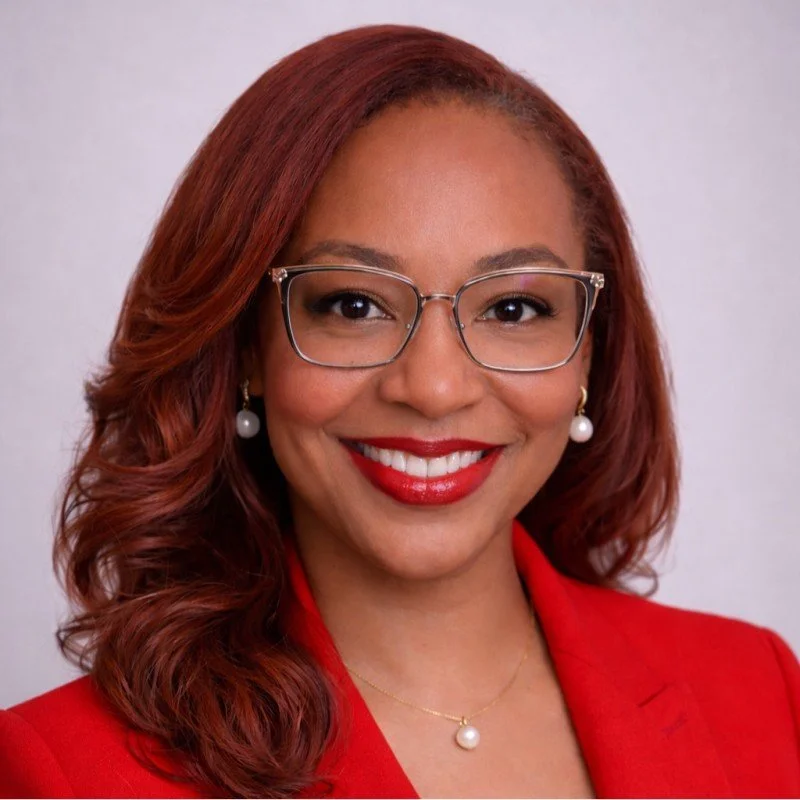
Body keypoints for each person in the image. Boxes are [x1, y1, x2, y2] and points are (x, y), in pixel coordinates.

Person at [0, 23, 798, 800]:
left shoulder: (764, 691)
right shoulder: (58, 774)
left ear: (589, 351)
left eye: (513, 309)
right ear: (245, 347)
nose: (435, 387)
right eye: (353, 305)